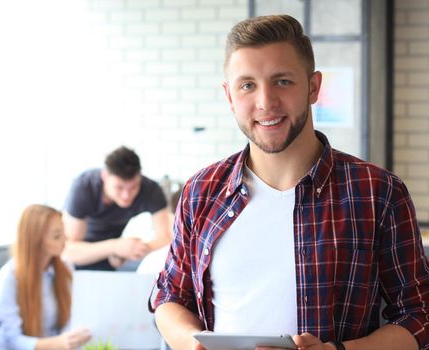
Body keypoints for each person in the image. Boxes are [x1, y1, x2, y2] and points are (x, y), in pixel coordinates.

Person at [152, 14, 429, 350]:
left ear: (313, 87)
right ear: (228, 95)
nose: (265, 101)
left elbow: (419, 314)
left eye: (282, 81)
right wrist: (192, 344)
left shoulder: (377, 192)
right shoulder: (201, 191)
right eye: (247, 85)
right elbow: (169, 296)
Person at [0, 204, 91, 350]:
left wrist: (70, 340)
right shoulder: (9, 277)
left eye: (63, 231)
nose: (65, 238)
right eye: (57, 236)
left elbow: (68, 323)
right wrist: (58, 343)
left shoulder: (65, 268)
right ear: (36, 241)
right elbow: (12, 339)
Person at [63, 146, 171, 271]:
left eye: (133, 187)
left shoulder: (151, 190)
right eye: (119, 187)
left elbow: (166, 238)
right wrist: (115, 246)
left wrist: (134, 249)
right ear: (105, 176)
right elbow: (69, 251)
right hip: (81, 256)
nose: (126, 195)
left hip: (113, 258)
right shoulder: (84, 187)